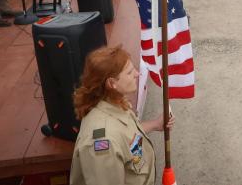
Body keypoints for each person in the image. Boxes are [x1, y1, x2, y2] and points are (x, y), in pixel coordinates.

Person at [69, 46, 173, 185]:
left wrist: (155, 124)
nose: (137, 74)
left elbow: (127, 137)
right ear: (112, 83)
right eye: (130, 72)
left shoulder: (112, 103)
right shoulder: (103, 144)